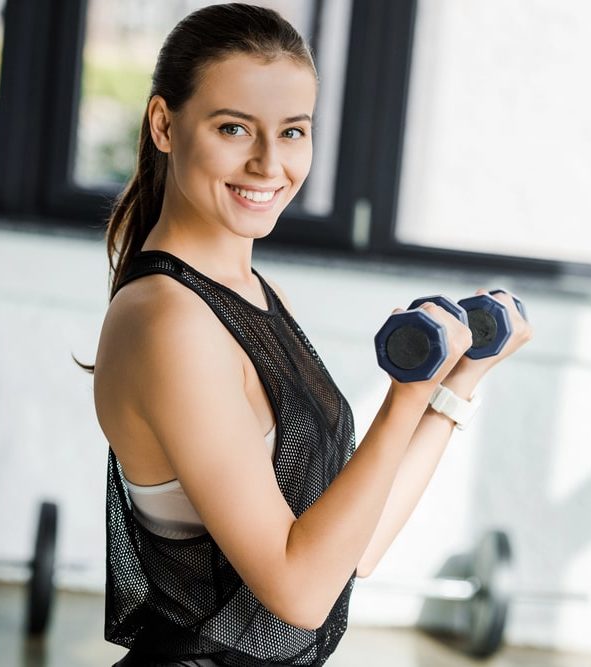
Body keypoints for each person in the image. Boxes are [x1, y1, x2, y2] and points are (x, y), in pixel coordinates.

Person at [91, 4, 532, 666]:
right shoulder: (169, 321)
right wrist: (402, 399)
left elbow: (350, 551)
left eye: (292, 131)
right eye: (234, 127)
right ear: (163, 124)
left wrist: (453, 388)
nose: (269, 163)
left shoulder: (254, 296)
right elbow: (297, 592)